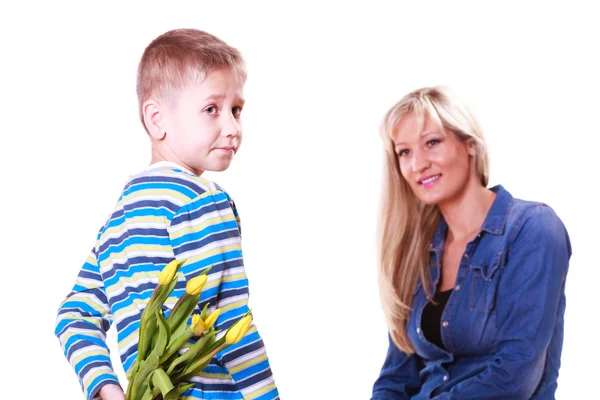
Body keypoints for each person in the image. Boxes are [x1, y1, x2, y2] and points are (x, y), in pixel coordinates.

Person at [54, 28, 279, 400]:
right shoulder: (202, 201)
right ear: (157, 119)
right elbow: (231, 322)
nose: (233, 127)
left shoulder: (119, 218)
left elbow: (74, 315)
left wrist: (107, 389)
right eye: (212, 109)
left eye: (236, 110)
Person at [371, 86, 571, 399]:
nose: (418, 164)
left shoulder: (532, 229)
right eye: (404, 152)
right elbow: (396, 378)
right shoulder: (417, 253)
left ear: (470, 145)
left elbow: (515, 377)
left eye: (432, 143)